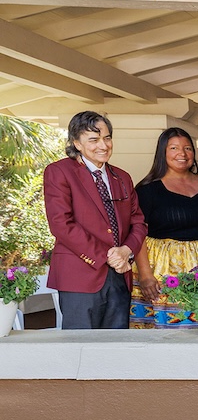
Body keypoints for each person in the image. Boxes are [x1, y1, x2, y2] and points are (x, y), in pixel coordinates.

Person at [43, 111, 147, 329]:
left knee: (116, 345)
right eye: (94, 139)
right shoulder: (59, 172)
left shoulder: (122, 177)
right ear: (77, 143)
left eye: (107, 138)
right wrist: (107, 256)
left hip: (119, 275)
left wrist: (126, 251)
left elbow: (138, 223)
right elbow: (61, 224)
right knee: (81, 345)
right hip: (79, 277)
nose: (103, 145)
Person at [130, 128, 198, 329]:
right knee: (168, 330)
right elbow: (138, 233)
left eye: (188, 148)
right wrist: (145, 275)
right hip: (164, 270)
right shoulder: (147, 190)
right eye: (174, 148)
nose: (182, 154)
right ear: (162, 152)